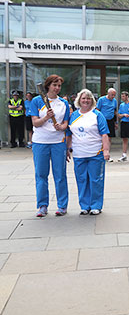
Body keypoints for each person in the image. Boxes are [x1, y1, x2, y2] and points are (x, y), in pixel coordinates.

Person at [29, 74, 70, 217]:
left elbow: (66, 123)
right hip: (40, 142)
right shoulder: (37, 101)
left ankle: (62, 206)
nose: (57, 88)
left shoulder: (63, 103)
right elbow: (35, 123)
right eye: (54, 85)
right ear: (48, 86)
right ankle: (42, 206)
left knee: (60, 175)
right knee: (41, 174)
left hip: (58, 143)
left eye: (59, 85)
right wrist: (46, 117)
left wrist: (61, 127)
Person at [67, 89, 110, 215]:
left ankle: (96, 205)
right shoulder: (74, 116)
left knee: (96, 180)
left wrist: (106, 150)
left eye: (88, 98)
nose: (86, 101)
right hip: (79, 154)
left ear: (92, 100)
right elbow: (69, 134)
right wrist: (67, 149)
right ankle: (84, 206)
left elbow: (104, 134)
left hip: (95, 154)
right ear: (79, 100)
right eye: (83, 98)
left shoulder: (97, 115)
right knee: (81, 180)